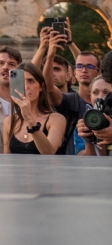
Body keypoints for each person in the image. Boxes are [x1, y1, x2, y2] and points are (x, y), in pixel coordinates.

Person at [34, 26, 87, 155]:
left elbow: (87, 67)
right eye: (48, 69)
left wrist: (70, 43)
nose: (51, 73)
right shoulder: (37, 100)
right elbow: (29, 73)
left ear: (69, 75)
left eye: (57, 69)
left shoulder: (77, 99)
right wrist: (43, 47)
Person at [3, 62, 66, 155]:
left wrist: (29, 119)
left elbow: (49, 152)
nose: (26, 87)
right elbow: (7, 158)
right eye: (20, 82)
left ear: (41, 87)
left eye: (31, 81)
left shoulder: (56, 119)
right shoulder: (9, 121)